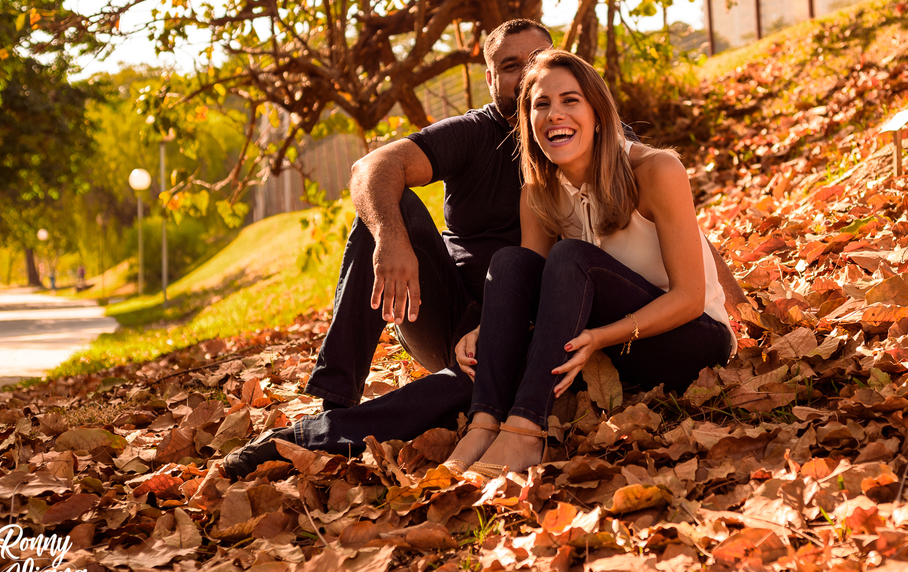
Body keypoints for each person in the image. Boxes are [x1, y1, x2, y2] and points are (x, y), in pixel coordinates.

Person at [219, 28, 747, 479]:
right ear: (493, 79)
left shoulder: (615, 149)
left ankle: (505, 429)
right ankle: (330, 417)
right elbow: (521, 265)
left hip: (604, 326)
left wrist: (730, 294)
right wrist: (400, 246)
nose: (537, 90)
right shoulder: (528, 174)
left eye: (549, 76)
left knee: (508, 336)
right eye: (518, 76)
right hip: (488, 318)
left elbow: (681, 247)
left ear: (591, 100)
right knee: (449, 249)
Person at [442, 50, 735, 478]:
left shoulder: (656, 170)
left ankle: (525, 430)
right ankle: (484, 422)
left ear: (598, 113)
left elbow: (690, 298)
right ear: (528, 125)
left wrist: (599, 337)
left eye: (570, 100)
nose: (554, 115)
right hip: (617, 353)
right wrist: (487, 328)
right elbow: (525, 287)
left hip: (693, 342)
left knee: (571, 256)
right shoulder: (537, 192)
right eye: (541, 105)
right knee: (509, 261)